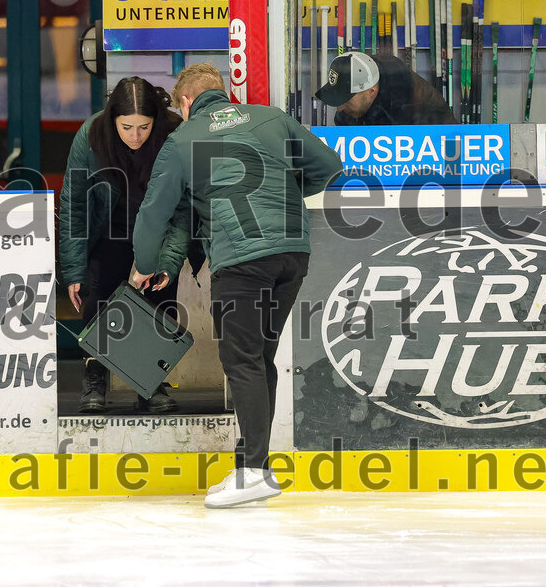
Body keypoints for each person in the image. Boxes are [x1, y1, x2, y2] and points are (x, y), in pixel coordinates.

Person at [132, 63, 342, 508]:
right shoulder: (271, 117)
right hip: (292, 253)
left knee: (242, 359)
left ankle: (252, 474)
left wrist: (145, 263)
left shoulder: (182, 140)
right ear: (222, 94)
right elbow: (330, 166)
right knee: (259, 357)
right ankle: (255, 465)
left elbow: (154, 212)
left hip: (242, 260)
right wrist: (287, 193)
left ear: (186, 103)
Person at [60, 76, 191, 414]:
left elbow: (183, 207)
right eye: (127, 126)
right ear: (112, 118)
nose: (135, 136)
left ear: (156, 121)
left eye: (144, 127)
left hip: (159, 232)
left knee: (159, 301)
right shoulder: (90, 136)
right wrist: (73, 269)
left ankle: (151, 384)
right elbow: (74, 202)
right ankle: (95, 378)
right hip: (110, 230)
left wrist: (168, 261)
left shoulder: (174, 134)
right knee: (99, 297)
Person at [315, 51, 455, 125]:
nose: (339, 108)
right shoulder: (356, 87)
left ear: (371, 92)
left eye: (346, 99)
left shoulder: (406, 100)